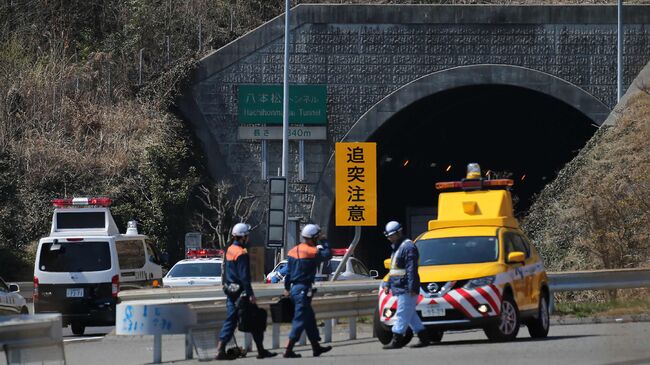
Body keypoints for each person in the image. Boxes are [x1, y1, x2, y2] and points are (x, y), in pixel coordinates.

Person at [216, 223, 277, 360]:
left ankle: (221, 349)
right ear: (243, 237)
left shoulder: (230, 250)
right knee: (256, 319)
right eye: (247, 236)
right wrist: (250, 294)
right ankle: (260, 350)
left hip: (230, 291)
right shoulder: (241, 253)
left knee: (231, 321)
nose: (248, 238)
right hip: (241, 294)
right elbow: (244, 277)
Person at [282, 224, 333, 358]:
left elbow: (288, 273)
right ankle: (288, 349)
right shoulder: (312, 252)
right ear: (312, 238)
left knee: (309, 318)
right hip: (303, 290)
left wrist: (287, 288)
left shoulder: (293, 251)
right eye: (316, 237)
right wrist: (324, 241)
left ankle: (316, 347)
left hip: (294, 290)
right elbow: (328, 254)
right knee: (299, 320)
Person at [381, 221, 430, 349]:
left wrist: (412, 287)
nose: (389, 238)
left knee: (402, 314)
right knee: (411, 315)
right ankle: (424, 337)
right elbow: (393, 269)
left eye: (392, 235)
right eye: (388, 236)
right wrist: (387, 283)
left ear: (399, 232)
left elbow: (411, 269)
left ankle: (397, 339)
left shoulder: (408, 247)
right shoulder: (397, 247)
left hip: (406, 288)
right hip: (400, 286)